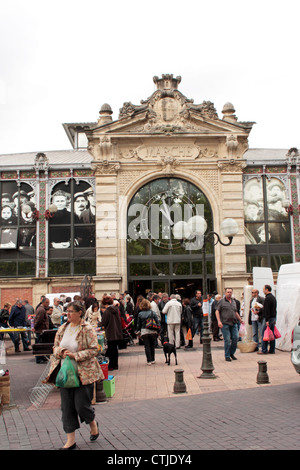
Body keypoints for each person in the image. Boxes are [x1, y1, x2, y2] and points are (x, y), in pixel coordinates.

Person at [43, 301, 104, 450]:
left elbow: (94, 349)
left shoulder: (87, 329)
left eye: (71, 311)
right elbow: (55, 347)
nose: (68, 314)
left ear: (80, 313)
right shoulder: (63, 328)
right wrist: (62, 352)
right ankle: (70, 441)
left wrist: (76, 355)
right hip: (65, 374)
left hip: (83, 374)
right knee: (67, 408)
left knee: (81, 406)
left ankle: (92, 423)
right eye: (67, 311)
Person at [215, 288, 244, 362]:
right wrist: (219, 321)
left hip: (234, 323)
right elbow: (217, 311)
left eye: (230, 292)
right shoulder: (221, 301)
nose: (229, 293)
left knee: (236, 338)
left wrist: (240, 319)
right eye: (228, 292)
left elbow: (235, 312)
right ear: (225, 293)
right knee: (227, 340)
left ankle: (232, 353)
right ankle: (227, 355)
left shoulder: (234, 301)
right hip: (225, 323)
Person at [101, 295, 123, 371]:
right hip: (117, 331)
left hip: (110, 332)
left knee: (111, 349)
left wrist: (99, 324)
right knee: (115, 349)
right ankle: (115, 364)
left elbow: (104, 322)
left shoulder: (107, 311)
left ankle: (111, 365)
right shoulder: (116, 309)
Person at [136, 298, 160, 365]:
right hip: (153, 331)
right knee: (152, 345)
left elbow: (138, 324)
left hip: (144, 331)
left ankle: (149, 360)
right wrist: (159, 330)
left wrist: (138, 331)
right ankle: (153, 359)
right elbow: (157, 322)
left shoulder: (140, 314)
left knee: (147, 346)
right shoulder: (153, 313)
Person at [258, 285, 277, 355]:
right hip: (273, 317)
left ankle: (264, 349)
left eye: (263, 289)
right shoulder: (273, 298)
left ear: (267, 290)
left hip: (268, 318)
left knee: (265, 334)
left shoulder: (267, 299)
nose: (263, 291)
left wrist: (266, 320)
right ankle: (272, 349)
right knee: (271, 334)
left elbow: (267, 310)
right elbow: (274, 309)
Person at [34, 297, 50, 363]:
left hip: (41, 330)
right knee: (39, 345)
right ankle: (39, 359)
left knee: (41, 344)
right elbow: (38, 320)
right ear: (43, 302)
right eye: (47, 303)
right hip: (40, 330)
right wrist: (35, 327)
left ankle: (42, 357)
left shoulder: (42, 309)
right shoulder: (41, 310)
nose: (48, 304)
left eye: (48, 303)